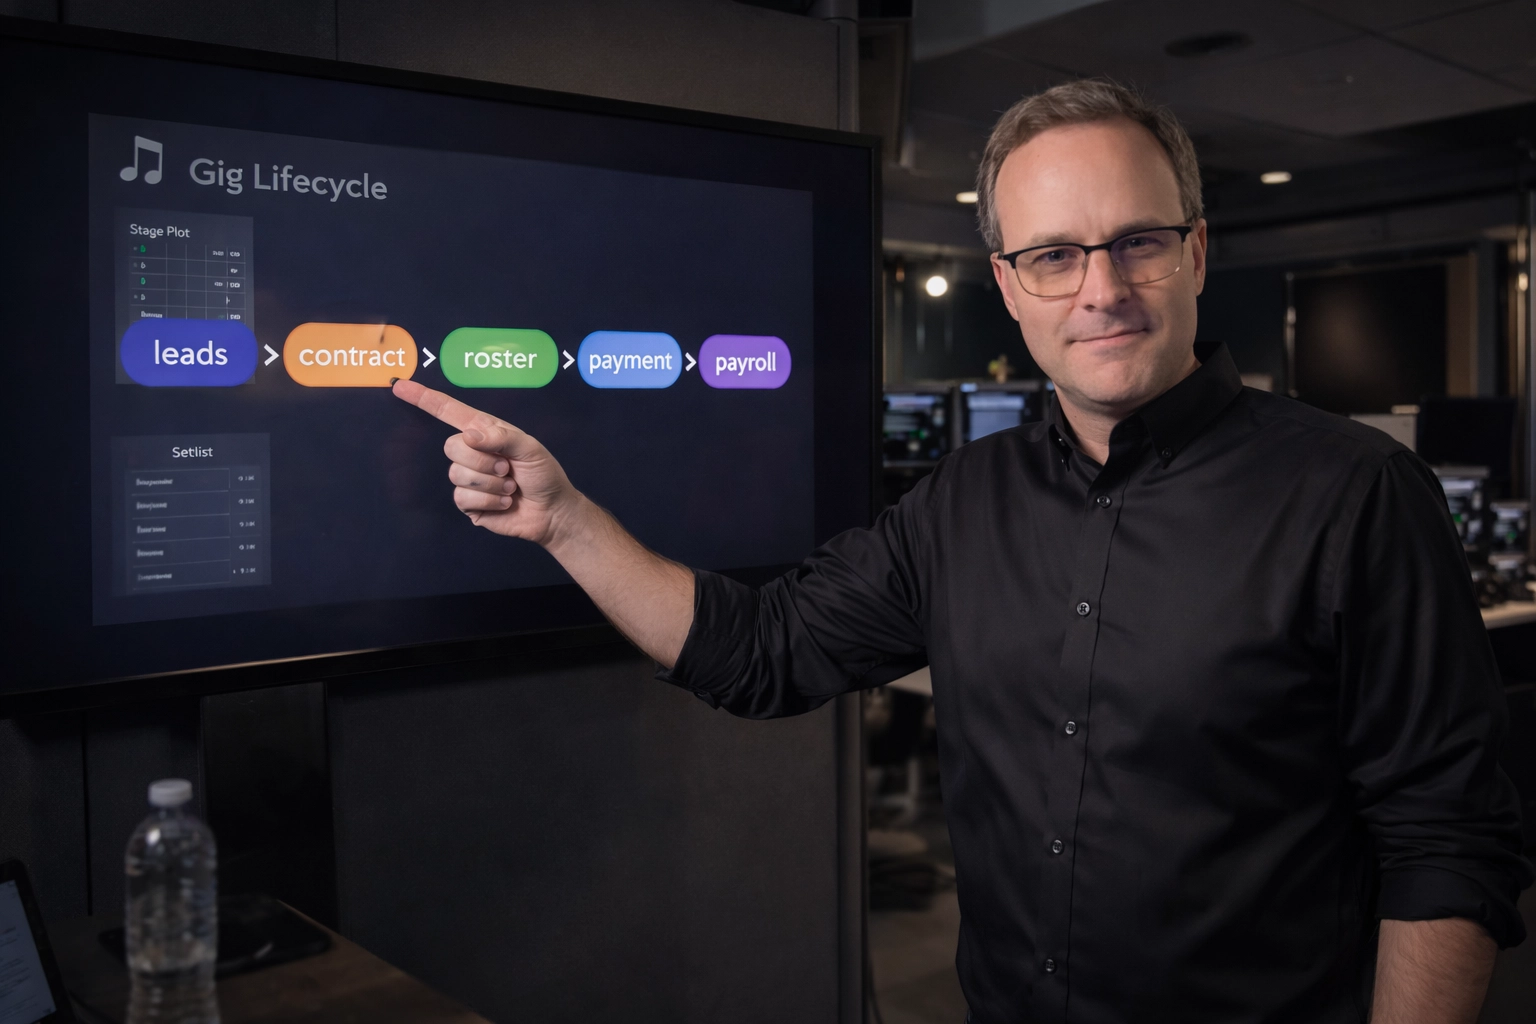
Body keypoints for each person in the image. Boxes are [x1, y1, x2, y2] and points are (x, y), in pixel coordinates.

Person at [394, 79, 1531, 1023]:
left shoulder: (1354, 494)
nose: (1102, 291)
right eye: (1053, 256)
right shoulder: (962, 502)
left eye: (1136, 242)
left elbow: (1449, 840)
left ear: (1193, 250)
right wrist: (566, 519)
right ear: (1007, 283)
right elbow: (762, 651)